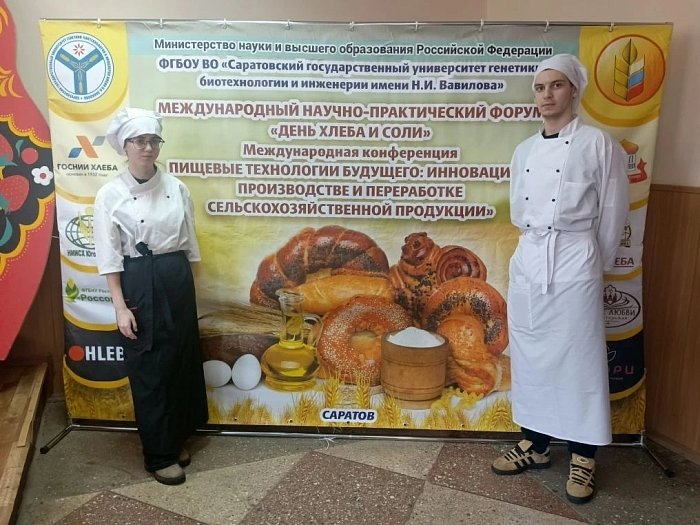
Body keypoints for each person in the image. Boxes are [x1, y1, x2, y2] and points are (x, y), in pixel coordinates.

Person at [491, 54, 629, 504]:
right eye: (540, 87)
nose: (547, 95)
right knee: (530, 356)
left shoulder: (598, 143)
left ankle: (584, 457)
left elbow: (613, 211)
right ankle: (536, 444)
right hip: (530, 260)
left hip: (574, 259)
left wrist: (590, 262)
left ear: (574, 91)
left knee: (578, 359)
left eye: (556, 85)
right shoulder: (524, 151)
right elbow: (520, 209)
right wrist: (527, 259)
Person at [93, 107, 208, 485]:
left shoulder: (177, 187)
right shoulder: (110, 194)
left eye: (153, 140)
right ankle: (158, 454)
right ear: (125, 146)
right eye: (140, 141)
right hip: (139, 277)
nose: (148, 147)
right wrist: (120, 307)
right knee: (150, 366)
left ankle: (175, 438)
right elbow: (109, 256)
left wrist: (190, 290)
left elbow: (190, 244)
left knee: (179, 361)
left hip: (175, 275)